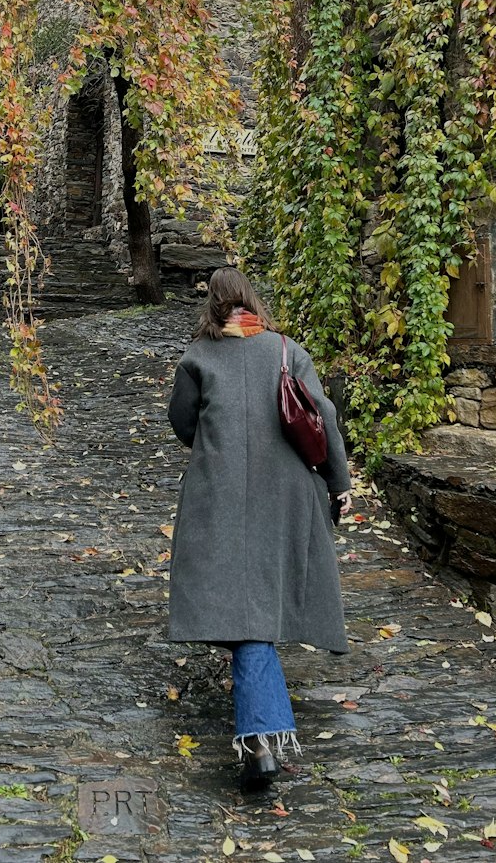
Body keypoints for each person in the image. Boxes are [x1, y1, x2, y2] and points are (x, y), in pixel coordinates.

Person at [166, 266, 353, 792]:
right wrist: (339, 482)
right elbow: (324, 417)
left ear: (212, 305)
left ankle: (261, 739)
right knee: (253, 612)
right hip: (286, 494)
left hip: (217, 496)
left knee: (241, 610)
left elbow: (182, 425)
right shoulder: (287, 351)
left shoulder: (197, 357)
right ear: (251, 300)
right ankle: (263, 736)